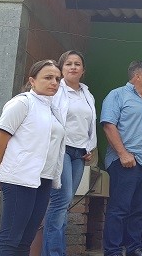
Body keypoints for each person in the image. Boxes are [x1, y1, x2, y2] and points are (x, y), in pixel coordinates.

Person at [0, 60, 64, 256]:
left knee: (25, 241)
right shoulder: (22, 103)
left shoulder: (51, 108)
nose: (54, 82)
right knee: (10, 239)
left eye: (57, 78)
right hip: (19, 178)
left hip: (44, 179)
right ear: (32, 80)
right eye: (48, 78)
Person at [101, 60, 142, 256]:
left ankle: (135, 248)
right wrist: (123, 154)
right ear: (137, 77)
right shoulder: (117, 95)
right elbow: (109, 125)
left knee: (140, 209)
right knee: (119, 209)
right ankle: (113, 250)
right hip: (125, 161)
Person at [42, 50, 97, 256]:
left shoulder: (87, 93)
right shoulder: (56, 90)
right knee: (60, 200)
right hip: (61, 150)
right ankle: (54, 253)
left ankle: (55, 251)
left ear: (83, 70)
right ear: (61, 68)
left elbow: (89, 124)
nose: (73, 67)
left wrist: (89, 147)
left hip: (80, 153)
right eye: (68, 64)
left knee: (65, 203)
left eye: (77, 64)